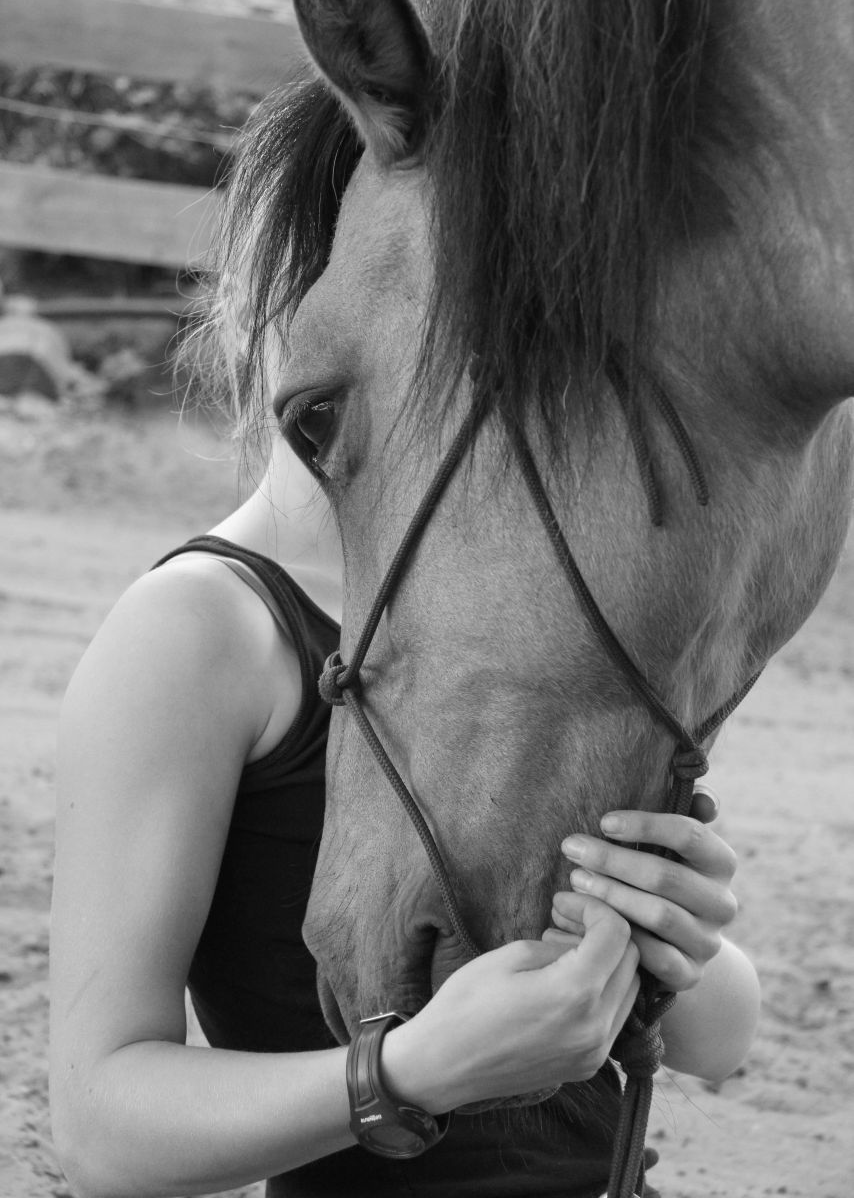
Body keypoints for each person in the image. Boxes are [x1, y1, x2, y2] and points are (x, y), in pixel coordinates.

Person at [49, 416, 761, 1198]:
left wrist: (676, 940)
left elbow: (718, 1043)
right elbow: (99, 1132)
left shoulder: (539, 607)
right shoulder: (195, 625)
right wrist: (412, 1073)